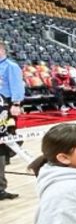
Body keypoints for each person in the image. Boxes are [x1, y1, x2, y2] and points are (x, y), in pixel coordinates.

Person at [0, 41, 24, 200]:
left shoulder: (11, 66)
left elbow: (17, 86)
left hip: (5, 106)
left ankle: (1, 187)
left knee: (3, 142)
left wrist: (16, 103)